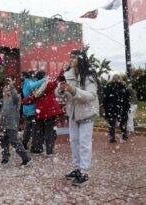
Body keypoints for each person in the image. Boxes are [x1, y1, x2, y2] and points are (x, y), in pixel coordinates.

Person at [56, 50, 99, 186]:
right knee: (74, 141)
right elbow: (57, 93)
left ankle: (84, 172)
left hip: (86, 113)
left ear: (81, 59)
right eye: (70, 57)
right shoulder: (67, 74)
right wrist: (61, 90)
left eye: (74, 57)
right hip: (73, 113)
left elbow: (91, 95)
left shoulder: (89, 76)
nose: (71, 59)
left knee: (84, 143)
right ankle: (77, 168)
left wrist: (74, 91)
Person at [22, 70, 64, 156]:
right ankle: (49, 150)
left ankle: (37, 149)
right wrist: (63, 71)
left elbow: (31, 98)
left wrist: (22, 102)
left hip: (40, 113)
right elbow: (57, 81)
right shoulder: (48, 84)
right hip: (50, 112)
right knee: (50, 132)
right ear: (44, 77)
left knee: (39, 132)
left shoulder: (35, 88)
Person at [0, 77, 31, 166]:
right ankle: (5, 157)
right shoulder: (5, 98)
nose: (7, 91)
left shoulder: (16, 98)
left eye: (9, 89)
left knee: (15, 141)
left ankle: (26, 157)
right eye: (6, 89)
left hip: (12, 123)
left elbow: (15, 97)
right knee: (3, 140)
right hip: (3, 123)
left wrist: (12, 87)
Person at [22, 70, 46, 152]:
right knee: (32, 128)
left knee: (29, 127)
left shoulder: (26, 82)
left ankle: (25, 143)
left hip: (27, 109)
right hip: (30, 109)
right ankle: (31, 145)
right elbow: (34, 86)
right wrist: (44, 80)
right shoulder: (29, 83)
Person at [102, 74, 131, 143]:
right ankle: (124, 136)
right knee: (123, 121)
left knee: (111, 123)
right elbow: (127, 97)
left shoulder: (108, 86)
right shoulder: (123, 86)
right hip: (121, 107)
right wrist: (127, 106)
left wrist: (105, 106)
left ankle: (112, 137)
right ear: (119, 78)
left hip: (111, 107)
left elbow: (105, 98)